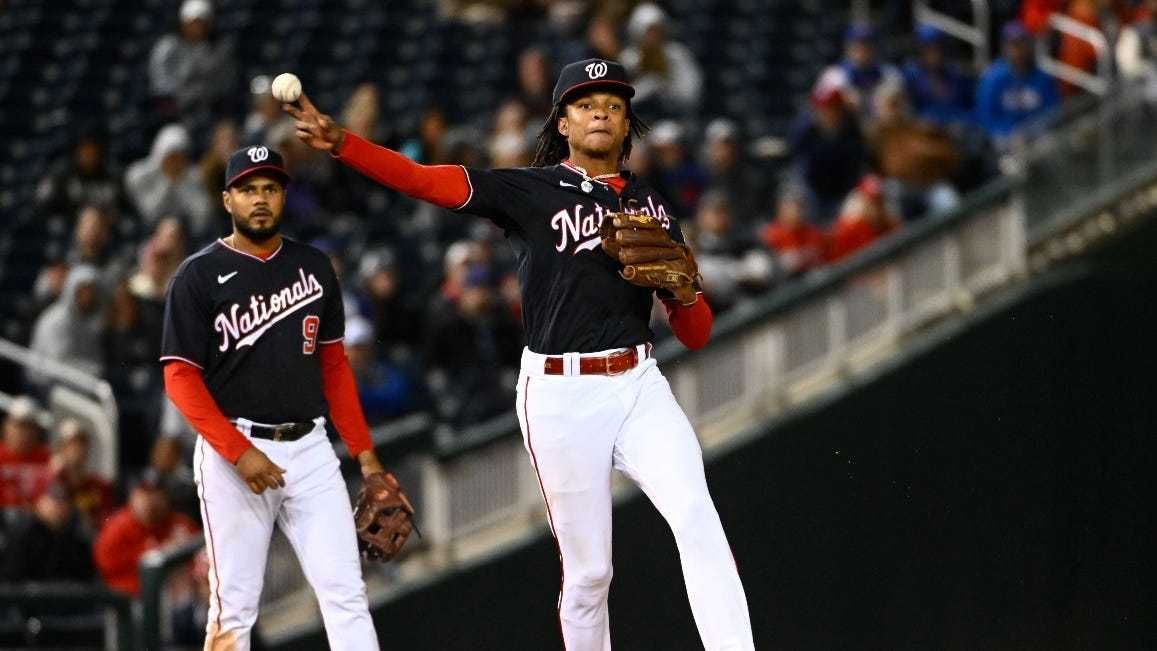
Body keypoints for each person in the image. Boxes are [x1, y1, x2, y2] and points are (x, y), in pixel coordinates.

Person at [287, 57, 754, 650]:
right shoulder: (531, 191)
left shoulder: (651, 206)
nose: (601, 113)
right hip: (560, 394)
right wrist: (344, 144)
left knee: (696, 516)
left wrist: (686, 293)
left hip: (639, 384)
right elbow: (423, 179)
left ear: (626, 123)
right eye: (586, 104)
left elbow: (696, 334)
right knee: (590, 574)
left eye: (613, 105)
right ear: (562, 122)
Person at [160, 146, 398, 649]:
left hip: (310, 448)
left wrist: (366, 455)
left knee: (346, 593)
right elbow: (179, 378)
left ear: (284, 196)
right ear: (227, 200)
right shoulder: (198, 275)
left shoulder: (313, 267)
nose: (260, 198)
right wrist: (237, 452)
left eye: (270, 188)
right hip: (234, 449)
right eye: (247, 189)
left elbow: (334, 368)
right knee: (234, 607)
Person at [93, 471, 198, 595]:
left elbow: (201, 561)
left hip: (179, 598)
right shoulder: (116, 528)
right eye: (144, 494)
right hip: (131, 597)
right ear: (132, 497)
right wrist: (157, 553)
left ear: (166, 497)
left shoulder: (181, 525)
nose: (150, 500)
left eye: (156, 493)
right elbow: (106, 568)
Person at [788, 85, 869, 224]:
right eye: (823, 108)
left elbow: (856, 165)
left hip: (844, 189)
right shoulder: (805, 129)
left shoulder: (852, 129)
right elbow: (799, 161)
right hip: (813, 188)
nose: (827, 112)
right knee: (799, 197)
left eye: (832, 108)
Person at [975, 22, 1061, 144]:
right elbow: (985, 116)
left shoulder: (1042, 78)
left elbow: (1053, 111)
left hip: (1036, 138)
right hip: (1003, 139)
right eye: (1014, 45)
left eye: (1022, 44)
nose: (1019, 50)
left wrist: (1034, 132)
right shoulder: (992, 78)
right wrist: (1007, 134)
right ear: (1004, 47)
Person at [147, 0, 236, 118]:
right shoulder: (168, 46)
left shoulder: (216, 48)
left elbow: (223, 82)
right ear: (183, 23)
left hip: (208, 108)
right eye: (193, 23)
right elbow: (160, 80)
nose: (197, 28)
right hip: (174, 108)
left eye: (202, 23)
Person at [124, 124, 215, 239]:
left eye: (180, 157)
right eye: (171, 157)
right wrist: (168, 181)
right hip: (147, 233)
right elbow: (149, 214)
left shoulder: (195, 177)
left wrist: (181, 183)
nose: (175, 162)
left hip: (186, 235)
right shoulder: (140, 175)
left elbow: (202, 217)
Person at [620, 3, 703, 117]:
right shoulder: (628, 58)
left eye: (657, 31)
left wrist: (664, 84)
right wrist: (648, 85)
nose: (653, 37)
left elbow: (691, 96)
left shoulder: (677, 55)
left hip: (673, 117)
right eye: (649, 31)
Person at [1, 481, 94, 582]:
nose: (58, 507)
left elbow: (86, 578)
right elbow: (11, 578)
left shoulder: (77, 534)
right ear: (38, 502)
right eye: (53, 500)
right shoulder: (23, 533)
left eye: (63, 501)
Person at [35, 419, 115, 535]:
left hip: (88, 537)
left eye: (81, 444)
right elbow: (42, 512)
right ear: (61, 448)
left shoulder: (100, 485)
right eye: (70, 444)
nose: (77, 449)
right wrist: (56, 474)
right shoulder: (49, 480)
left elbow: (107, 519)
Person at [29, 264, 106, 383]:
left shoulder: (88, 321)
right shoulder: (56, 320)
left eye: (92, 291)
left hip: (80, 381)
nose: (88, 297)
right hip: (45, 384)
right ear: (71, 290)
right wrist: (99, 372)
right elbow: (59, 365)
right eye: (83, 291)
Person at [816, 22, 903, 120]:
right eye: (857, 44)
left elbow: (903, 110)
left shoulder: (890, 74)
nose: (862, 49)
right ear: (847, 47)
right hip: (848, 126)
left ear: (875, 47)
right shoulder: (833, 77)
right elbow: (822, 115)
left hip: (881, 126)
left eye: (867, 44)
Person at [902, 25, 974, 129]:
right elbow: (908, 111)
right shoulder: (910, 75)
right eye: (928, 49)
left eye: (937, 48)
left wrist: (964, 122)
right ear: (919, 51)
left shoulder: (956, 74)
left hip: (958, 129)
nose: (934, 54)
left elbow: (970, 108)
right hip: (924, 131)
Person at [827, 175, 902, 262]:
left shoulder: (890, 223)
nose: (877, 208)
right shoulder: (849, 231)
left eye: (880, 202)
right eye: (872, 203)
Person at [760, 189, 828, 277]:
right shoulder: (771, 234)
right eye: (790, 208)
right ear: (781, 210)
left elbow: (821, 260)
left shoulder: (813, 232)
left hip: (810, 277)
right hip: (783, 279)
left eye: (799, 207)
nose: (796, 212)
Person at [0, 397, 50, 510]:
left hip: (35, 516)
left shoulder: (48, 459)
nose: (23, 432)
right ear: (6, 426)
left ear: (37, 430)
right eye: (18, 425)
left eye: (29, 426)